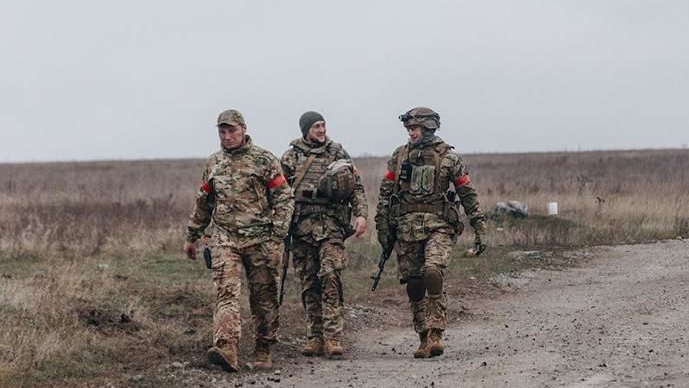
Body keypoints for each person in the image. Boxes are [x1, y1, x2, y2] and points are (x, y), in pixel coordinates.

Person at [184, 109, 294, 372]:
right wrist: (192, 234)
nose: (227, 136)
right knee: (226, 293)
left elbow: (284, 198)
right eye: (222, 131)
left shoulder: (264, 160)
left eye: (232, 130)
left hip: (261, 239)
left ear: (243, 129)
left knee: (264, 295)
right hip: (224, 238)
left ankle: (264, 348)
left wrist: (276, 235)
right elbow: (204, 201)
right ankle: (227, 349)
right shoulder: (213, 163)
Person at [375, 107, 486, 358]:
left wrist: (480, 227)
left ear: (428, 128)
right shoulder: (399, 156)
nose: (411, 133)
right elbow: (385, 193)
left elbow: (467, 194)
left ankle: (437, 330)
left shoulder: (448, 157)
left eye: (415, 128)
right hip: (406, 228)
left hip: (439, 225)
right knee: (414, 284)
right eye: (408, 129)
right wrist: (382, 225)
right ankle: (423, 335)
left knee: (432, 271)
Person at [280, 112, 369, 359]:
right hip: (301, 228)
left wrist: (361, 215)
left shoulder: (338, 153)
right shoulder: (291, 156)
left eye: (323, 125)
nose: (321, 130)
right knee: (309, 283)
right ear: (306, 130)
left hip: (331, 226)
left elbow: (356, 187)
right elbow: (278, 191)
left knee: (331, 276)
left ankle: (333, 338)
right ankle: (314, 337)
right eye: (316, 126)